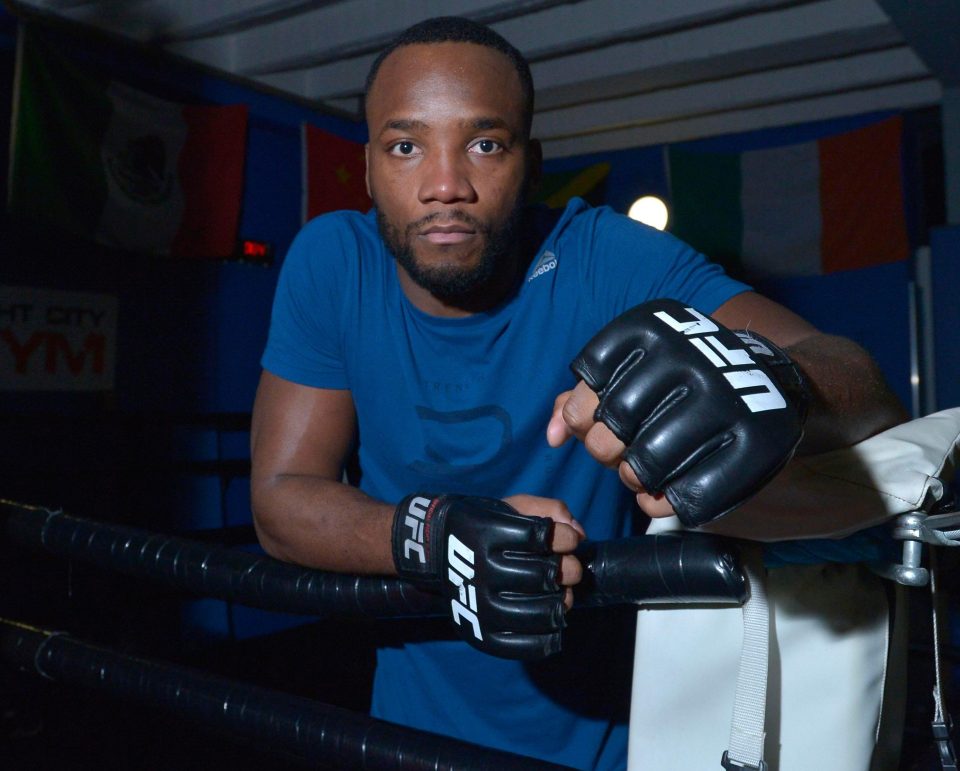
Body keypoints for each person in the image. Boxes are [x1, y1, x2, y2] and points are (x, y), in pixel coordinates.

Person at [250, 16, 906, 770]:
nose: (444, 184)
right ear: (367, 169)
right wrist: (438, 535)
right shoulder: (336, 263)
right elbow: (280, 497)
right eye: (406, 145)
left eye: (483, 144)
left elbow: (861, 380)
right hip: (407, 736)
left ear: (529, 163)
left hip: (616, 740)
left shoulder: (604, 258)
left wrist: (770, 379)